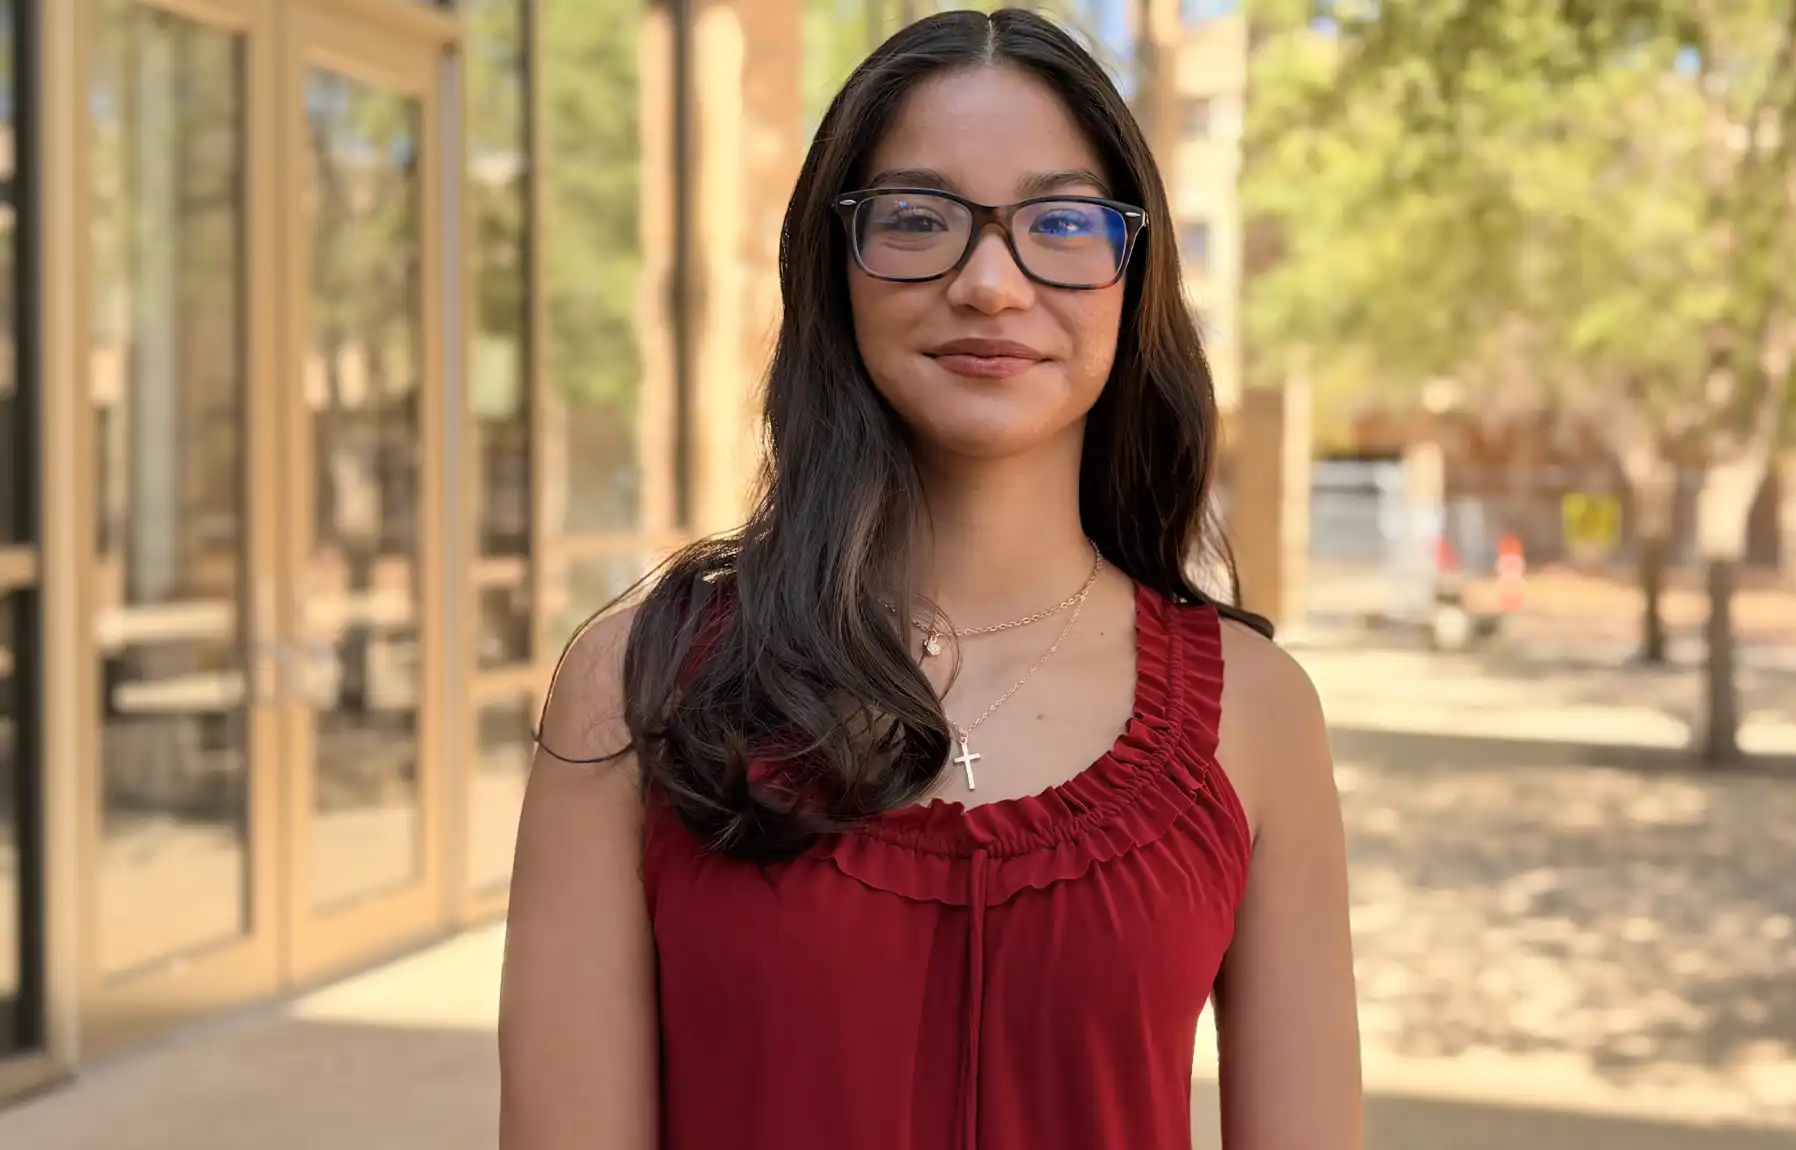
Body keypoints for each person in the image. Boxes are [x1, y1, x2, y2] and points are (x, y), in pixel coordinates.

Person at [498, 9, 1363, 1150]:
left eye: (1059, 221)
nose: (991, 284)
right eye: (917, 219)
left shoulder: (1254, 712)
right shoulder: (634, 689)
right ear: (834, 266)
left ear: (1129, 272)